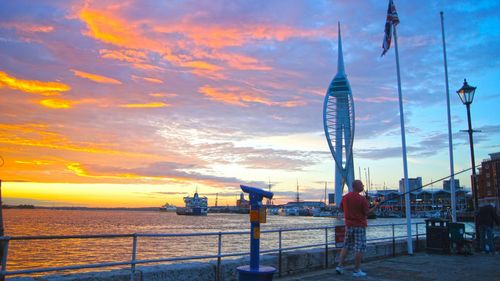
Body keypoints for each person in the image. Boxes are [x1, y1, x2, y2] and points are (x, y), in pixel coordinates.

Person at [335, 180, 378, 277]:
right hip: (359, 226)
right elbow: (367, 213)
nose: (363, 186)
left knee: (346, 246)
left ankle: (340, 266)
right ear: (356, 186)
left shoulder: (345, 197)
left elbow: (341, 208)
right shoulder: (361, 199)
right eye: (361, 184)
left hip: (349, 225)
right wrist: (376, 207)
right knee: (359, 247)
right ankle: (356, 270)